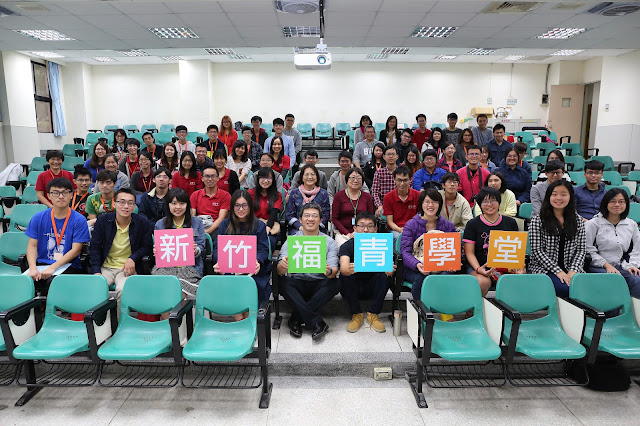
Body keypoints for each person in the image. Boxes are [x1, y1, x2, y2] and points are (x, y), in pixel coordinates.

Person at [277, 202, 339, 340]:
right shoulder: (292, 240)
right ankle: (316, 322)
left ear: (320, 220)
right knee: (282, 282)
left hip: (319, 284)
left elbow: (334, 270)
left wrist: (329, 271)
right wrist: (283, 266)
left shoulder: (329, 242)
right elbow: (279, 271)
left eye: (314, 216)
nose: (310, 219)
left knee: (335, 283)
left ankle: (296, 319)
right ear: (300, 219)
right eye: (307, 216)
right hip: (297, 283)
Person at [89, 188, 153, 302]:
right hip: (105, 267)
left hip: (127, 268)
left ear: (134, 206)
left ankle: (121, 315)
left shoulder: (142, 223)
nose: (126, 206)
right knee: (95, 289)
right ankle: (101, 315)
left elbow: (147, 247)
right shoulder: (103, 221)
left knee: (123, 290)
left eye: (130, 203)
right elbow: (95, 247)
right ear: (114, 204)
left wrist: (132, 258)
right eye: (122, 202)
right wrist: (96, 271)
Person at [25, 178, 90, 285]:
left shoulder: (79, 220)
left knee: (53, 282)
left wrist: (52, 268)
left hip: (68, 265)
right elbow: (32, 246)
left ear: (71, 195)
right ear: (49, 196)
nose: (61, 196)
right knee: (26, 281)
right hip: (41, 264)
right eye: (56, 193)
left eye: (65, 193)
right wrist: (32, 268)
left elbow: (76, 250)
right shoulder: (38, 218)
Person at [213, 190, 272, 307]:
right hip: (230, 268)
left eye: (244, 205)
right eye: (237, 205)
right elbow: (217, 248)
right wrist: (219, 261)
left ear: (250, 206)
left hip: (252, 269)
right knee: (230, 286)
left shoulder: (259, 225)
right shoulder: (224, 224)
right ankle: (241, 316)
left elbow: (263, 249)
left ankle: (245, 315)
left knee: (253, 287)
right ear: (232, 207)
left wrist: (257, 260)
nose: (241, 209)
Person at [340, 212, 395, 333]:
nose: (365, 230)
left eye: (370, 226)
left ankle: (373, 313)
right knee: (346, 276)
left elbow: (390, 270)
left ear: (375, 229)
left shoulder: (382, 245)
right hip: (354, 288)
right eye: (361, 226)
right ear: (355, 228)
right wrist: (349, 268)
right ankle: (356, 314)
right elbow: (343, 268)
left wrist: (390, 270)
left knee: (385, 275)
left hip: (373, 287)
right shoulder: (347, 246)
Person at [528, 180, 586, 297]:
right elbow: (537, 251)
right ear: (548, 197)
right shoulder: (538, 220)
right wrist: (558, 271)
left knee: (586, 288)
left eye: (563, 194)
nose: (558, 198)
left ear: (570, 197)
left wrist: (573, 271)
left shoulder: (578, 220)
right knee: (565, 289)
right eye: (554, 194)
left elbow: (581, 250)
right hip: (545, 268)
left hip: (571, 267)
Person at [463, 187, 520, 296]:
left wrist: (517, 266)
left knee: (520, 276)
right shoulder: (473, 224)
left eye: (493, 200)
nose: (489, 204)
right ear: (480, 205)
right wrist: (478, 269)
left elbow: (516, 249)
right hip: (480, 265)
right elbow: (469, 252)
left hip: (505, 266)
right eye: (485, 201)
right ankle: (476, 307)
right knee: (482, 282)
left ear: (499, 202)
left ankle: (508, 306)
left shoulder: (510, 222)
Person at [401, 189, 456, 300]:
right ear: (421, 204)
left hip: (441, 266)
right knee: (422, 277)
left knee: (446, 277)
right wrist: (417, 264)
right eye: (427, 202)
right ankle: (421, 308)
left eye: (434, 202)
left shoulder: (448, 226)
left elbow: (454, 250)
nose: (430, 205)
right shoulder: (411, 225)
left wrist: (452, 264)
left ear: (439, 204)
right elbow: (405, 251)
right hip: (415, 268)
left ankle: (442, 307)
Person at [586, 188, 640, 298]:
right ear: (606, 203)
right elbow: (587, 249)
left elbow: (637, 249)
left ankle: (632, 308)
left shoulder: (631, 225)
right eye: (613, 201)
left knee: (636, 279)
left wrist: (632, 265)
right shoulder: (593, 224)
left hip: (620, 265)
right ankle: (612, 309)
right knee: (613, 280)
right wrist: (606, 265)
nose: (617, 205)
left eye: (621, 202)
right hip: (597, 266)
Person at [153, 188, 206, 300]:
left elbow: (201, 247)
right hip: (166, 268)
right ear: (168, 205)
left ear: (187, 205)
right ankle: (169, 312)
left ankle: (177, 311)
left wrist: (196, 250)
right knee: (165, 289)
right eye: (174, 203)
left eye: (182, 203)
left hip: (189, 268)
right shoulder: (160, 224)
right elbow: (160, 251)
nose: (178, 207)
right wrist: (156, 251)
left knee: (180, 291)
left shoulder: (197, 222)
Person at [331, 167, 374, 246]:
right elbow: (335, 218)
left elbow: (371, 217)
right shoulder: (339, 196)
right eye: (353, 177)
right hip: (343, 233)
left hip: (364, 231)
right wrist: (347, 233)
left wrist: (362, 231)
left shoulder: (367, 197)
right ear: (347, 180)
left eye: (358, 178)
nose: (355, 180)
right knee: (343, 246)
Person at [286, 164, 330, 234]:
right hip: (298, 229)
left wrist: (315, 227)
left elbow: (326, 214)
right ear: (302, 177)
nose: (309, 177)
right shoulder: (294, 193)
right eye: (306, 174)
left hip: (318, 228)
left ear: (317, 177)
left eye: (312, 174)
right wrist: (300, 226)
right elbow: (289, 214)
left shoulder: (323, 194)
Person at [248, 167, 283, 251]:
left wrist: (268, 228)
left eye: (269, 178)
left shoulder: (277, 195)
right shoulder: (250, 193)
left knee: (269, 242)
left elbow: (274, 213)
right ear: (258, 179)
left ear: (273, 180)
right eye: (263, 178)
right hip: (252, 225)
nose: (266, 181)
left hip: (270, 226)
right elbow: (248, 213)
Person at [190, 166, 231, 235]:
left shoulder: (225, 195)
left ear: (218, 178)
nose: (210, 179)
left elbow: (221, 218)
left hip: (217, 227)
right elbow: (192, 215)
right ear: (202, 178)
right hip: (200, 225)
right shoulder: (195, 195)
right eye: (207, 176)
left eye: (213, 176)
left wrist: (208, 231)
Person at [383, 165, 420, 242]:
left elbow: (421, 218)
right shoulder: (388, 197)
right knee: (398, 237)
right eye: (399, 180)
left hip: (414, 228)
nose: (402, 184)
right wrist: (400, 230)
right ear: (394, 180)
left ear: (410, 180)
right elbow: (390, 222)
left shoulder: (418, 195)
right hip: (395, 229)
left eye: (405, 180)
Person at [371, 145, 399, 218]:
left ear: (397, 156)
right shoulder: (379, 173)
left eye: (393, 154)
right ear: (383, 157)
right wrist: (379, 205)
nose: (391, 156)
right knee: (380, 215)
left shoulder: (401, 172)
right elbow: (375, 192)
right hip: (383, 206)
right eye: (388, 154)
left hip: (399, 204)